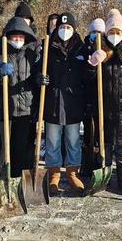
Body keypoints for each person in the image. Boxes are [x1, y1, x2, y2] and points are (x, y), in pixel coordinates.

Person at [0, 17, 39, 199]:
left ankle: (15, 184)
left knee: (19, 151)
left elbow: (36, 78)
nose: (18, 40)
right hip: (2, 111)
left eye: (21, 37)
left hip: (23, 110)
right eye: (14, 36)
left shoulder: (31, 55)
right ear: (7, 37)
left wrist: (40, 80)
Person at [88, 9, 122, 195]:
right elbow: (88, 80)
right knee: (105, 144)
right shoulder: (101, 52)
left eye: (117, 32)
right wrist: (93, 64)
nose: (114, 36)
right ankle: (105, 176)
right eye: (111, 32)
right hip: (103, 107)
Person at [42, 12, 86, 194]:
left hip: (73, 102)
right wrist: (41, 78)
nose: (65, 30)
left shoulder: (81, 48)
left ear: (74, 29)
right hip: (53, 101)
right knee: (52, 140)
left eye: (68, 28)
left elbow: (87, 74)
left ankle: (73, 172)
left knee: (73, 140)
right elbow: (39, 68)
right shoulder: (48, 46)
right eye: (61, 27)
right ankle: (54, 174)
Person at [78, 18, 105, 177]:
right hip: (87, 99)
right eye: (94, 32)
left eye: (100, 32)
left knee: (101, 135)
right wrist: (91, 65)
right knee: (89, 133)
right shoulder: (83, 48)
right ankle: (87, 165)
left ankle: (99, 165)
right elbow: (81, 75)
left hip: (102, 100)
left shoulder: (107, 49)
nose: (97, 35)